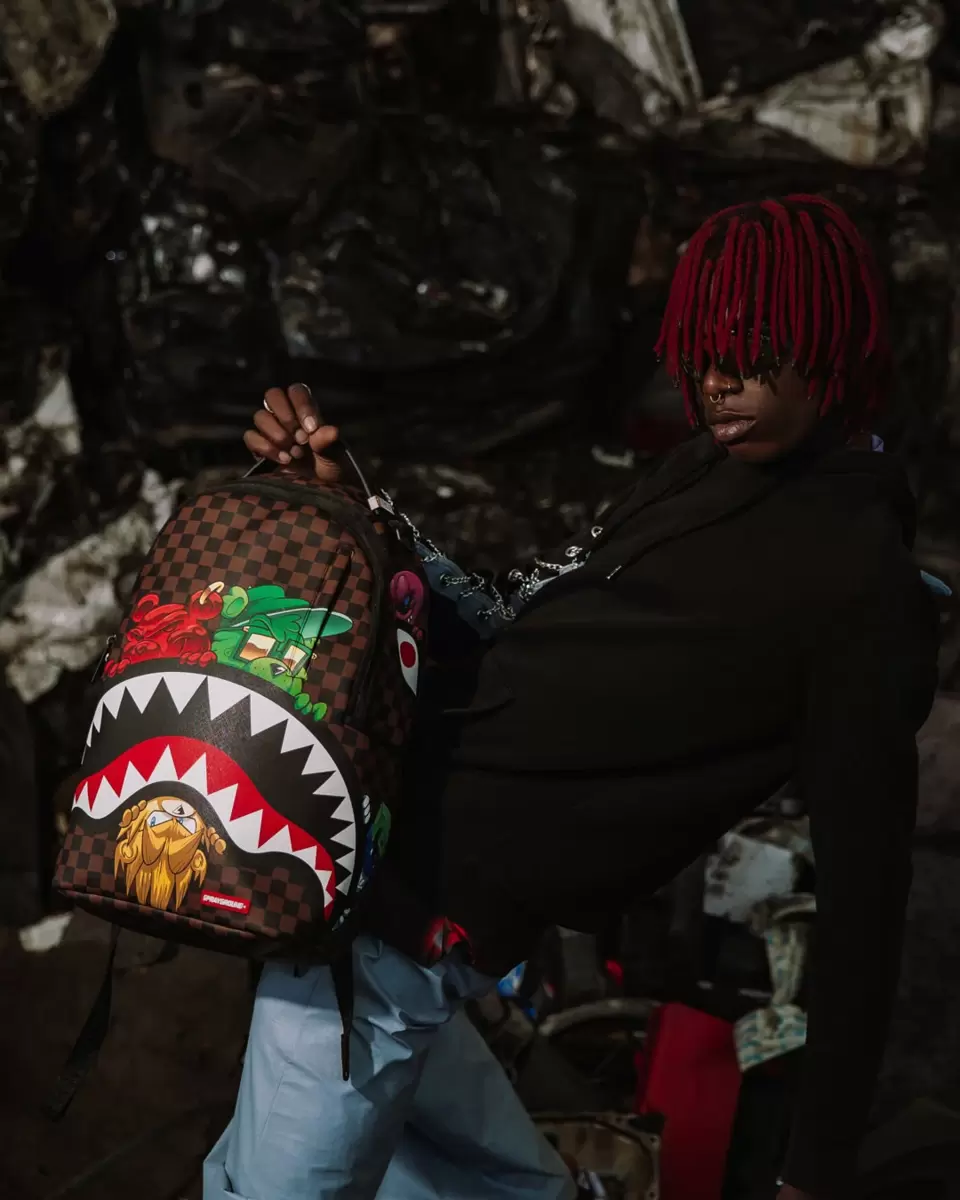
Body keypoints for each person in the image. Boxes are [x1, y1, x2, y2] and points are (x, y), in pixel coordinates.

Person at [204, 195, 940, 1200]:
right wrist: (353, 506)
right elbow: (513, 613)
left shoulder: (862, 588)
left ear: (834, 344)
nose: (719, 381)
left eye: (757, 351)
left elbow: (865, 902)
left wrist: (813, 1168)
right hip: (375, 855)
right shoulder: (705, 468)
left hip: (417, 923)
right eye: (705, 350)